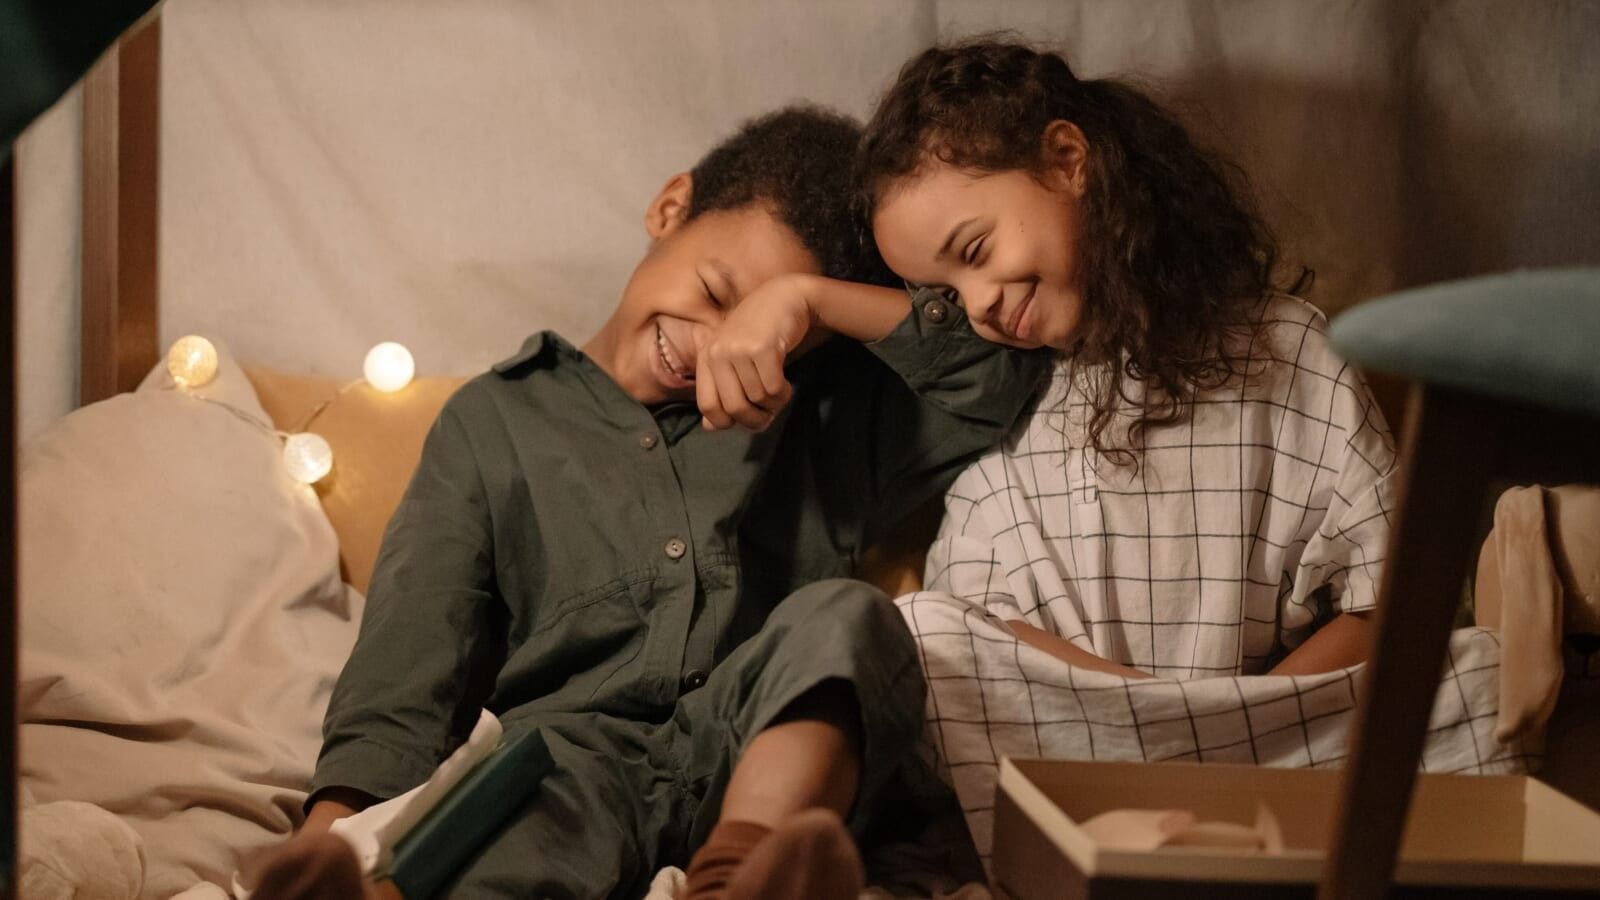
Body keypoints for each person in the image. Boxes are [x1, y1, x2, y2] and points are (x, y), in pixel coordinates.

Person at [248, 104, 1048, 899]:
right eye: (714, 293)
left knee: (848, 618)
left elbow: (1003, 374)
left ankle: (739, 880)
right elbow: (410, 652)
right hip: (565, 765)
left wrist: (807, 303)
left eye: (753, 330)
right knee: (485, 825)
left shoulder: (822, 413)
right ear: (671, 209)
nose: (709, 347)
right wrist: (338, 826)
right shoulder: (495, 420)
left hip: (760, 762)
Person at [852, 39, 1451, 861]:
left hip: (1276, 738)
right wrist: (1152, 717)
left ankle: (1192, 793)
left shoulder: (1287, 348)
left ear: (1068, 160)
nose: (980, 303)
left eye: (976, 251)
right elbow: (979, 642)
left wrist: (1236, 726)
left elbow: (1386, 600)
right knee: (918, 632)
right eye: (946, 296)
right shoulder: (1006, 403)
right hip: (1085, 750)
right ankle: (1163, 793)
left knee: (1473, 674)